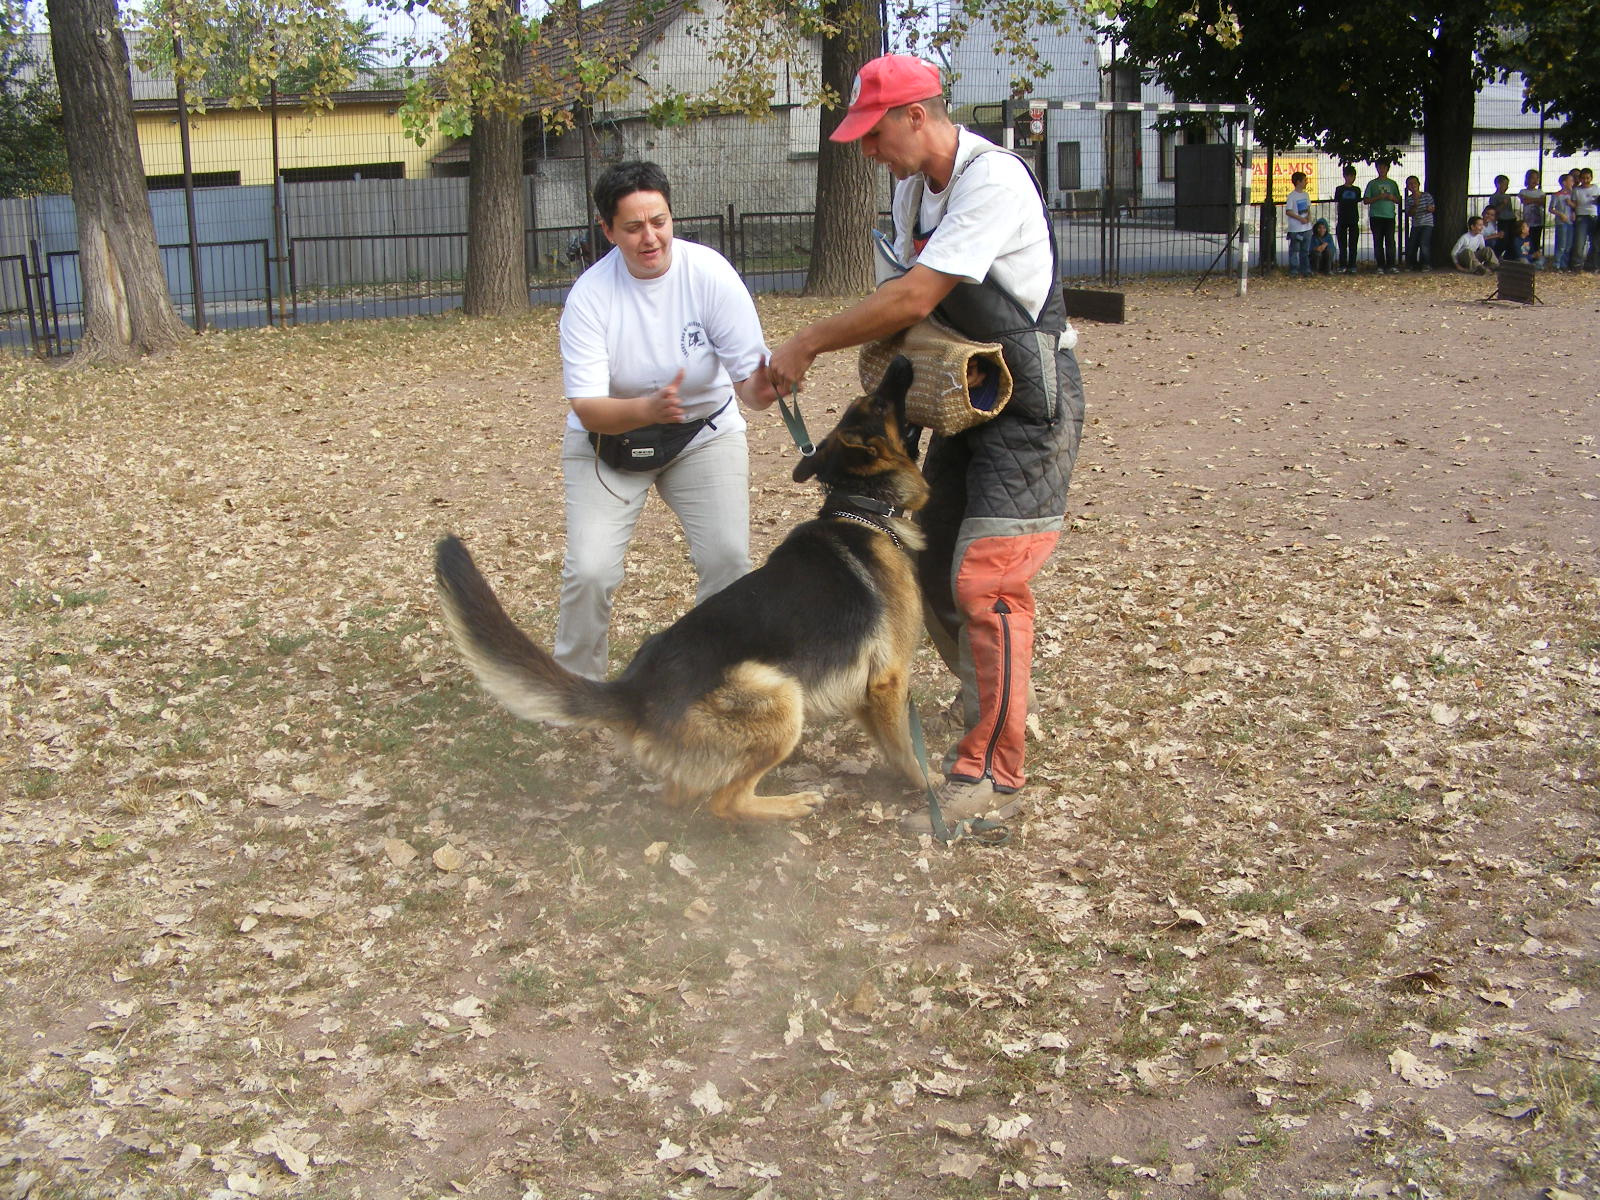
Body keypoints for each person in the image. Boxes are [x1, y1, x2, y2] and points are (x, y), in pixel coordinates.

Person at [766, 54, 1085, 833]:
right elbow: (907, 316)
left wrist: (808, 342)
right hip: (967, 402)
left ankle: (995, 773)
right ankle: (995, 707)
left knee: (988, 584)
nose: (868, 153)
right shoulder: (914, 191)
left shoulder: (992, 179)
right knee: (933, 567)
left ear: (917, 115)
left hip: (1032, 409)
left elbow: (914, 296)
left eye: (873, 136)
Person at [555, 160, 777, 679]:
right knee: (590, 571)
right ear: (607, 231)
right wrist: (645, 410)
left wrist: (773, 383)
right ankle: (574, 690)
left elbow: (750, 388)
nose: (650, 237)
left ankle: (719, 678)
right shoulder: (590, 296)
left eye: (659, 221)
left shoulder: (709, 273)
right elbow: (587, 407)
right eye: (633, 227)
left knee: (727, 560)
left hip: (702, 433)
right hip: (608, 440)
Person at [1363, 160, 1403, 274]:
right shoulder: (1372, 184)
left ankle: (1391, 265)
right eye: (1379, 167)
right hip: (1376, 216)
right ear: (1377, 168)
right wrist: (1379, 197)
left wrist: (1391, 197)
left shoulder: (1392, 183)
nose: (1382, 169)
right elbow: (1366, 200)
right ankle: (1380, 265)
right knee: (1378, 241)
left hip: (1389, 216)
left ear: (1387, 169)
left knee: (1390, 241)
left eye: (1384, 167)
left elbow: (1398, 200)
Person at [1332, 165, 1364, 273]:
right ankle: (1342, 265)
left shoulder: (1357, 189)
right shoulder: (1339, 189)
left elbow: (1358, 200)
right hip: (1342, 219)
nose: (1350, 178)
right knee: (1342, 244)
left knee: (1353, 244)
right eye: (1348, 176)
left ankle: (1352, 265)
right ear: (1344, 176)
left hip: (1354, 219)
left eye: (1352, 176)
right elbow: (1337, 200)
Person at [1284, 171, 1313, 278]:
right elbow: (1288, 211)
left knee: (1305, 250)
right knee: (1295, 250)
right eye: (1304, 180)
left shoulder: (1306, 195)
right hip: (1296, 228)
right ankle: (1294, 270)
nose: (1306, 182)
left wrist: (1309, 217)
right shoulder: (1292, 196)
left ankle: (1305, 269)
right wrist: (1300, 218)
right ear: (1298, 182)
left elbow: (1308, 207)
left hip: (1307, 227)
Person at [1404, 175, 1435, 270]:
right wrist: (1415, 206)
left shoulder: (1426, 195)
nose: (1412, 185)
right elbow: (1409, 213)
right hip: (1416, 224)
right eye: (1410, 184)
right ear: (1408, 187)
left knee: (1424, 243)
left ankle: (1426, 264)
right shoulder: (1409, 199)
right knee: (1412, 244)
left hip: (1427, 224)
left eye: (1414, 183)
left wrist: (1429, 208)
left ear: (1418, 184)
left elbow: (1432, 208)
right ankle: (1412, 264)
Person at [1572, 166, 1598, 271]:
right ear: (1580, 179)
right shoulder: (1576, 190)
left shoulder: (1595, 188)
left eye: (1588, 178)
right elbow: (1574, 203)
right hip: (1581, 216)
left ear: (1591, 178)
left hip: (1594, 216)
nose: (1585, 180)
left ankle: (1591, 264)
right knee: (1579, 243)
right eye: (1583, 178)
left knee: (1595, 243)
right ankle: (1577, 265)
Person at [1517, 169, 1546, 262]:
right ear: (1527, 179)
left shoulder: (1540, 192)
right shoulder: (1523, 191)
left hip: (1538, 221)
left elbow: (1543, 202)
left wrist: (1530, 200)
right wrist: (1537, 200)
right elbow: (1524, 200)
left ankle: (1536, 258)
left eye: (1536, 178)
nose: (1534, 180)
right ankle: (1526, 257)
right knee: (1526, 241)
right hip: (1527, 222)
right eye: (1532, 178)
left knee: (1536, 241)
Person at [1549, 172, 1575, 270]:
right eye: (1570, 181)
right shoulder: (1557, 195)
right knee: (1561, 244)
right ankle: (1557, 264)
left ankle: (1564, 264)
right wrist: (1560, 214)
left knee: (1568, 244)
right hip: (1561, 222)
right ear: (1564, 182)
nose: (1572, 183)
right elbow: (1551, 208)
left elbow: (1575, 206)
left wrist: (1572, 208)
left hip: (1570, 222)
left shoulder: (1572, 194)